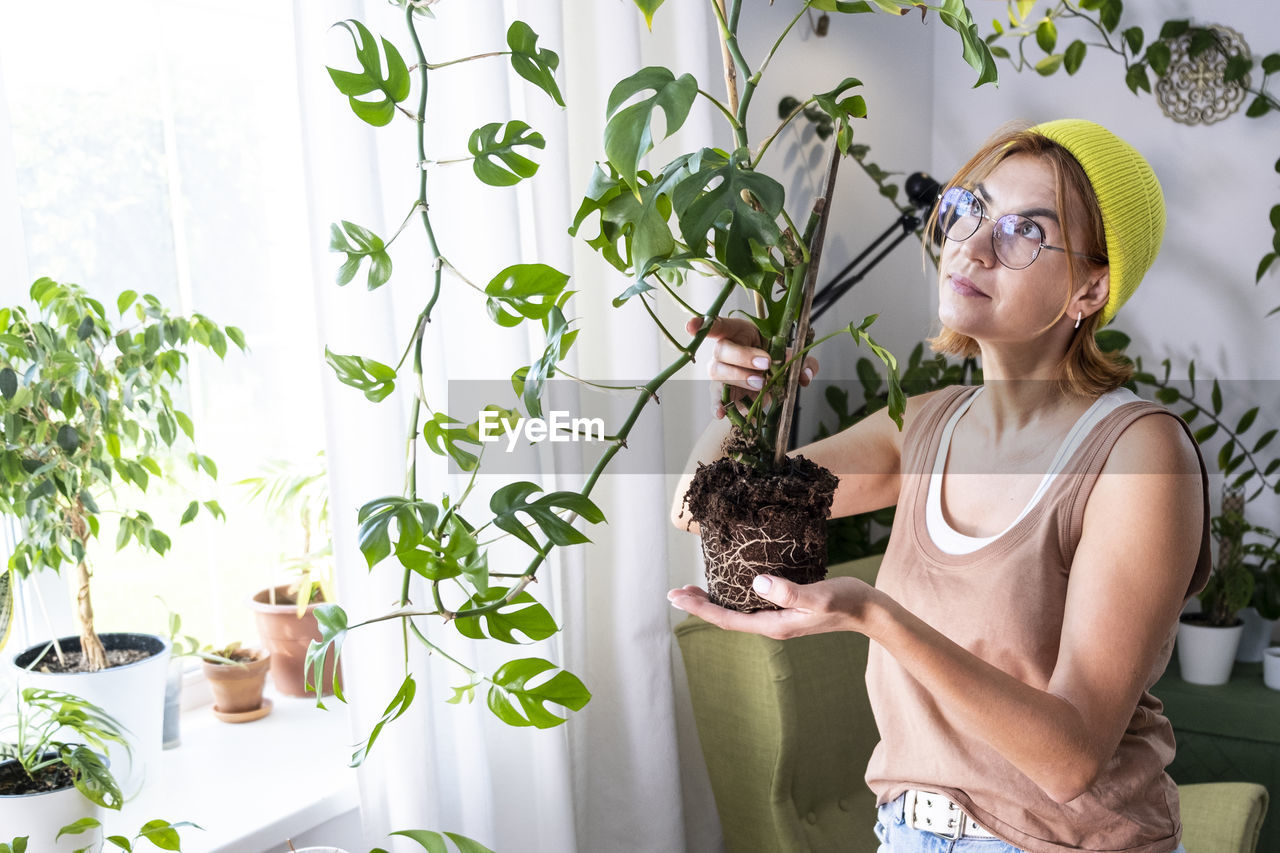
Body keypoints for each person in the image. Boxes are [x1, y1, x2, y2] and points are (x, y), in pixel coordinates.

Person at [668, 119, 1209, 853]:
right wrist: (744, 407)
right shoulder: (922, 425)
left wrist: (876, 615)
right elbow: (703, 512)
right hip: (906, 832)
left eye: (1024, 231)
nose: (975, 245)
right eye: (972, 208)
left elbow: (1071, 758)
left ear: (1090, 288)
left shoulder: (1138, 454)